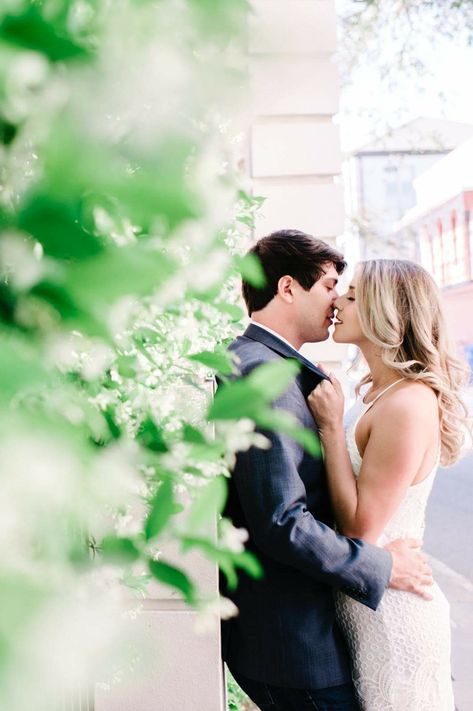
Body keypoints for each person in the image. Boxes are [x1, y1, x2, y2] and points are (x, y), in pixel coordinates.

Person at [221, 231, 433, 711]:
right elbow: (281, 521)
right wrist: (384, 565)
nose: (338, 301)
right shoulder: (263, 375)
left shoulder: (278, 368)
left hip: (318, 632)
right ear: (288, 288)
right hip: (293, 645)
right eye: (332, 285)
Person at [308, 259, 469, 710]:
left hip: (394, 618)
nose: (338, 300)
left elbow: (361, 529)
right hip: (369, 603)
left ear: (387, 315)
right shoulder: (380, 394)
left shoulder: (407, 404)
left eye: (354, 296)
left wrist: (328, 428)